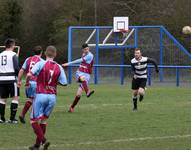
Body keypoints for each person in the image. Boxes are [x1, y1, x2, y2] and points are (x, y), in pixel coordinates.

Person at [26, 46, 67, 150]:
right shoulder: (59, 67)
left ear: (45, 54)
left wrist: (27, 82)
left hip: (40, 94)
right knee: (43, 121)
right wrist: (53, 82)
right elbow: (64, 83)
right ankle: (36, 146)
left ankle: (44, 141)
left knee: (33, 121)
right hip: (52, 97)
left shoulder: (40, 63)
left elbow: (29, 74)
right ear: (55, 54)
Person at [62, 43, 94, 113]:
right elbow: (81, 62)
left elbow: (78, 61)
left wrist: (68, 64)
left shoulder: (90, 55)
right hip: (79, 73)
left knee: (78, 94)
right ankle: (88, 92)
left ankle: (72, 107)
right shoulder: (84, 54)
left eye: (88, 48)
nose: (87, 50)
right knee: (82, 78)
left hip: (87, 75)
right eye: (85, 49)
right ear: (83, 50)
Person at [17, 46, 43, 124]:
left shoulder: (28, 59)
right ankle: (32, 117)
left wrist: (19, 80)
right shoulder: (42, 61)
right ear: (41, 52)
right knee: (36, 100)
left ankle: (24, 115)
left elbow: (22, 70)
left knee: (31, 99)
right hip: (36, 83)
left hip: (28, 83)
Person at [0, 38, 20, 123]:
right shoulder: (13, 54)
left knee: (2, 99)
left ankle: (1, 118)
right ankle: (12, 119)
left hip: (1, 79)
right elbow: (16, 68)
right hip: (11, 79)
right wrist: (18, 78)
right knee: (15, 98)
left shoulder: (0, 54)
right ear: (12, 45)